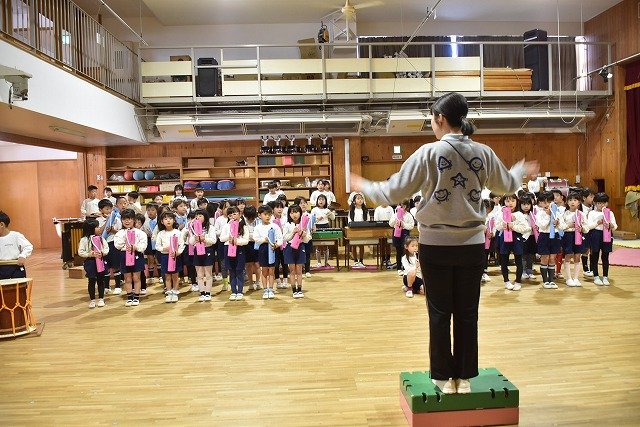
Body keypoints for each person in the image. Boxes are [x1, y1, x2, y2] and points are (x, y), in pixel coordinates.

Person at [351, 92, 538, 395]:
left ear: (440, 118)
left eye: (432, 119)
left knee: (439, 313)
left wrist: (364, 185)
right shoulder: (483, 152)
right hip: (472, 244)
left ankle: (441, 377)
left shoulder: (428, 153)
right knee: (467, 312)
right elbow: (506, 184)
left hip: (435, 244)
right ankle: (464, 378)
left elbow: (393, 192)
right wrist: (519, 169)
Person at [494, 194, 531, 291]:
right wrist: (503, 225)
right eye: (507, 201)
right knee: (504, 260)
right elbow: (497, 226)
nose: (510, 203)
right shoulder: (500, 213)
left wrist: (513, 226)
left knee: (518, 260)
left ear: (516, 202)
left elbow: (525, 228)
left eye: (512, 201)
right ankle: (506, 281)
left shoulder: (519, 214)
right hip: (504, 238)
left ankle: (518, 281)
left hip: (516, 238)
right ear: (504, 202)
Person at [114, 209, 148, 307]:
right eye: (124, 219)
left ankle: (136, 297)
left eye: (129, 219)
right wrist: (126, 238)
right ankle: (129, 297)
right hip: (124, 255)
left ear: (134, 220)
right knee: (127, 278)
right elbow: (117, 245)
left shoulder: (140, 233)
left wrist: (136, 247)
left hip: (137, 255)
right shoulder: (120, 233)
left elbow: (143, 246)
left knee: (136, 277)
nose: (127, 221)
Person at [587, 192, 618, 286]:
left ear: (607, 203)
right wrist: (598, 222)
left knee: (605, 256)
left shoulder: (610, 213)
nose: (601, 205)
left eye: (604, 203)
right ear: (595, 203)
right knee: (595, 255)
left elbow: (615, 227)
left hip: (607, 234)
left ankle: (605, 276)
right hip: (595, 234)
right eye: (599, 203)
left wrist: (610, 225)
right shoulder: (592, 213)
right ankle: (596, 276)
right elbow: (589, 226)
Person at [219, 206, 249, 301]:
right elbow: (221, 239)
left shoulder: (243, 226)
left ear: (240, 214)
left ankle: (240, 291)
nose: (233, 216)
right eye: (230, 215)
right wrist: (229, 238)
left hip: (239, 249)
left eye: (235, 214)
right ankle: (233, 291)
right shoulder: (226, 226)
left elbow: (246, 240)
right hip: (228, 248)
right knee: (231, 271)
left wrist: (237, 241)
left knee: (239, 271)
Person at [559, 192, 588, 287]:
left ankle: (575, 278)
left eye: (575, 200)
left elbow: (587, 227)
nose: (572, 202)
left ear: (579, 202)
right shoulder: (564, 214)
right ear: (567, 202)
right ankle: (568, 278)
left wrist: (582, 228)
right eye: (570, 200)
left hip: (579, 235)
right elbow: (561, 226)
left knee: (577, 256)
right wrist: (569, 225)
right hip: (568, 236)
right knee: (568, 255)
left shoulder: (582, 214)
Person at [253, 205, 283, 299]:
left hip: (273, 249)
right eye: (265, 214)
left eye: (269, 214)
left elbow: (280, 238)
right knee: (264, 270)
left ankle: (271, 288)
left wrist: (277, 245)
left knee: (272, 270)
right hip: (263, 249)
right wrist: (264, 240)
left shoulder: (275, 226)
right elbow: (255, 238)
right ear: (259, 215)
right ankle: (265, 290)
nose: (267, 216)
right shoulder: (258, 227)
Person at [78, 218, 109, 308]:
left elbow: (106, 248)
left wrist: (102, 253)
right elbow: (80, 252)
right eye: (97, 227)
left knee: (100, 280)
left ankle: (101, 298)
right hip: (90, 262)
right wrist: (90, 254)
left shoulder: (101, 238)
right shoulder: (84, 240)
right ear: (90, 228)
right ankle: (92, 300)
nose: (99, 228)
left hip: (100, 261)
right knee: (91, 280)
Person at [156, 211, 185, 303]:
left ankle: (175, 292)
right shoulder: (161, 233)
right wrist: (164, 248)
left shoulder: (178, 232)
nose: (168, 220)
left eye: (170, 218)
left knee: (175, 275)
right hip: (165, 256)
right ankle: (169, 293)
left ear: (174, 220)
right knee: (167, 276)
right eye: (165, 219)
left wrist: (178, 252)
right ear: (162, 222)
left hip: (175, 256)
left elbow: (182, 245)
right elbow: (157, 246)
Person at [189, 209, 217, 301]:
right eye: (196, 216)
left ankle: (208, 293)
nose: (197, 217)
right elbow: (191, 242)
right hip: (197, 251)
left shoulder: (210, 227)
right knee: (199, 274)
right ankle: (202, 293)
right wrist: (195, 238)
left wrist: (204, 239)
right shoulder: (193, 227)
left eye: (200, 216)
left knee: (208, 274)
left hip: (208, 250)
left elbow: (213, 240)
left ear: (205, 217)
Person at [283, 205, 310, 298]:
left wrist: (303, 234)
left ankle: (299, 290)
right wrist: (293, 233)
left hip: (300, 247)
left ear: (300, 213)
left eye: (296, 212)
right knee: (292, 270)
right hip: (289, 248)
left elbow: (307, 239)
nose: (294, 215)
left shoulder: (304, 224)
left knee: (299, 270)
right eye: (292, 212)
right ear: (289, 214)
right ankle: (294, 290)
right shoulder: (287, 224)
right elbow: (285, 238)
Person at [535, 191, 561, 289]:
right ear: (540, 203)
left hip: (555, 236)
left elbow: (561, 225)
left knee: (552, 258)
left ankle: (551, 280)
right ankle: (545, 281)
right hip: (544, 236)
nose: (547, 204)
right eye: (544, 202)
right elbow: (542, 225)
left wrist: (558, 223)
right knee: (545, 258)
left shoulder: (556, 211)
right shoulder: (539, 213)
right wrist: (548, 215)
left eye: (549, 202)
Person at [0, 211, 33, 280]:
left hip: (15, 267)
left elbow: (28, 246)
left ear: (1, 224)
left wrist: (23, 256)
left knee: (19, 286)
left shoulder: (16, 235)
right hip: (1, 267)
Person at [389, 199, 415, 276]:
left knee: (404, 251)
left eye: (403, 206)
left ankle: (405, 267)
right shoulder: (395, 214)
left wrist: (403, 224)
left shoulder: (409, 215)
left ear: (406, 207)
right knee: (398, 251)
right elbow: (390, 224)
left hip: (405, 233)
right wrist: (395, 219)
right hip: (396, 233)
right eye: (400, 206)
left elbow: (411, 226)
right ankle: (399, 268)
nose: (401, 207)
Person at [310, 194, 335, 267]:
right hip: (317, 227)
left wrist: (331, 213)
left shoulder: (327, 210)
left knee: (325, 245)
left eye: (323, 199)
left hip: (325, 226)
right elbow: (311, 220)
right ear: (317, 201)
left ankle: (326, 262)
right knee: (318, 245)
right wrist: (317, 219)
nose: (321, 201)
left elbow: (333, 218)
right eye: (319, 199)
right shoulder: (314, 209)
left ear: (325, 201)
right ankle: (319, 262)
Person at [243, 206, 261, 291]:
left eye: (252, 217)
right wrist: (251, 236)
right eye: (248, 217)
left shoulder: (258, 221)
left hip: (257, 244)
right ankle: (250, 282)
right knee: (248, 264)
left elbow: (259, 234)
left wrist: (252, 236)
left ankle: (257, 282)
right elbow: (244, 234)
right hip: (247, 245)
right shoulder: (243, 221)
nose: (250, 219)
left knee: (257, 264)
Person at [348, 192, 368, 268]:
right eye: (358, 199)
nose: (360, 200)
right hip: (354, 230)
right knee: (354, 245)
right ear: (354, 201)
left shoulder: (365, 210)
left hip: (362, 230)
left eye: (361, 199)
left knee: (361, 245)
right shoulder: (352, 210)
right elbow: (349, 220)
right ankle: (355, 261)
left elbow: (367, 220)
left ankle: (361, 261)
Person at [374, 201, 394, 268]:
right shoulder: (378, 209)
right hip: (380, 229)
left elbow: (392, 218)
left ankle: (388, 259)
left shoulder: (390, 208)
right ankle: (383, 260)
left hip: (389, 228)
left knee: (388, 245)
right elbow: (376, 219)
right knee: (382, 244)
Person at [581, 188, 595, 278]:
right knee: (585, 250)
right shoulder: (580, 207)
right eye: (591, 197)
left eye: (593, 197)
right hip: (584, 231)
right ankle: (585, 269)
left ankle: (593, 268)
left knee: (593, 249)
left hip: (593, 230)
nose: (593, 199)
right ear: (584, 198)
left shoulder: (594, 207)